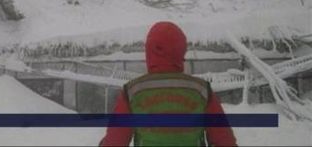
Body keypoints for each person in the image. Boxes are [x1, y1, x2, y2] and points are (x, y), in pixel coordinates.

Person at [100, 21, 237, 146]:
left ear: (149, 52)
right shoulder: (201, 90)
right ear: (180, 51)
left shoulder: (133, 91)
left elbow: (115, 142)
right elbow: (225, 140)